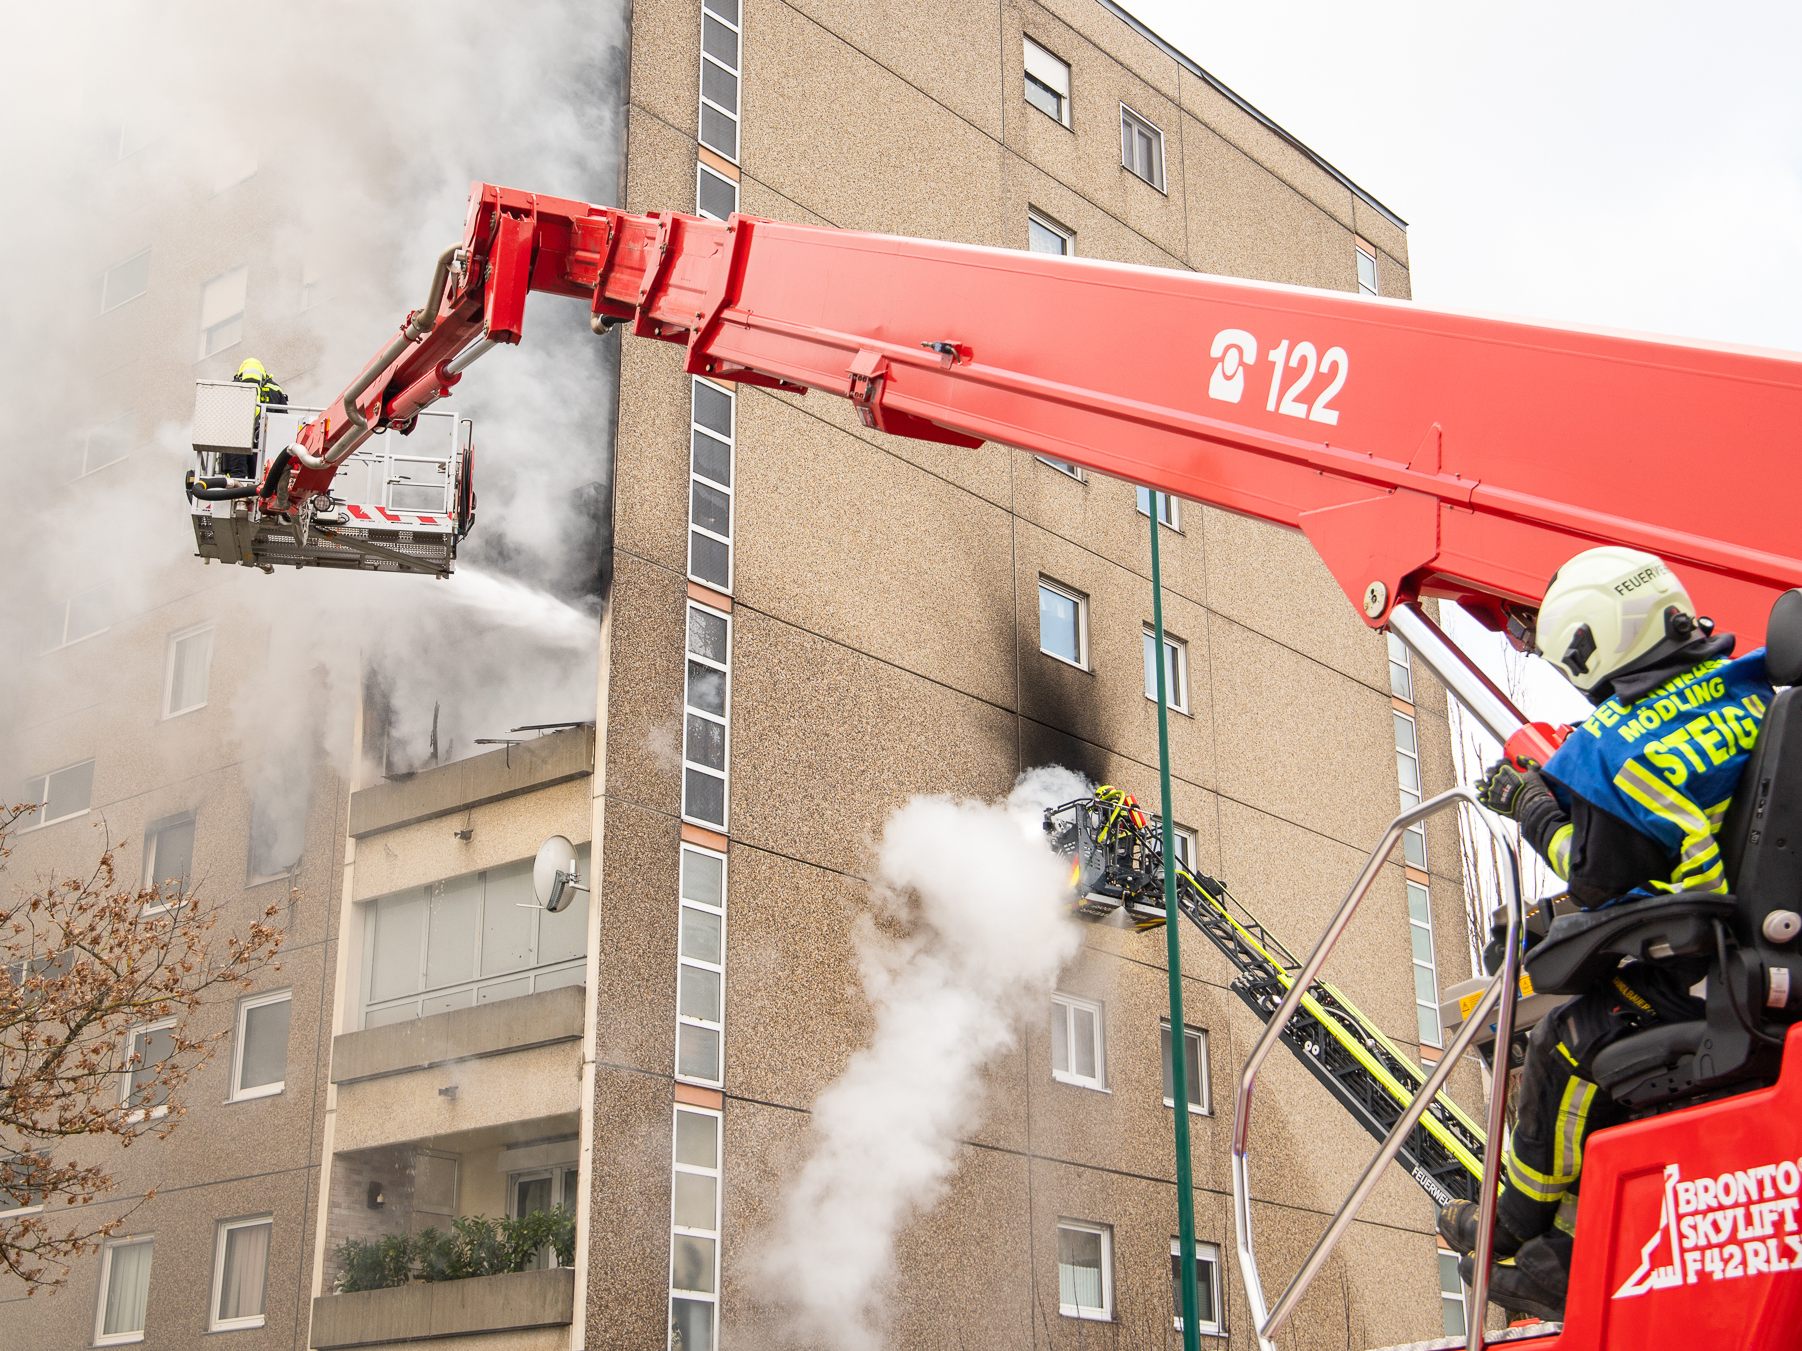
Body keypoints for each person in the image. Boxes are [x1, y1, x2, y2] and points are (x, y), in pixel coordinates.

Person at [1437, 545, 1773, 1320]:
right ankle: (1566, 1249)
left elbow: (1593, 869)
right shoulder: (1745, 689)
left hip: (1700, 964)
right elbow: (1678, 845)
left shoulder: (1621, 746)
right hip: (1750, 947)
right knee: (1607, 1073)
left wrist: (1531, 808)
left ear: (1591, 646)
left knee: (1566, 1040)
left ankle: (1514, 1223)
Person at [222, 357, 288, 479]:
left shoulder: (232, 386)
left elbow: (222, 417)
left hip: (235, 442)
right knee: (259, 479)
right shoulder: (275, 389)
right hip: (263, 444)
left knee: (237, 477)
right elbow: (283, 420)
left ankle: (237, 494)